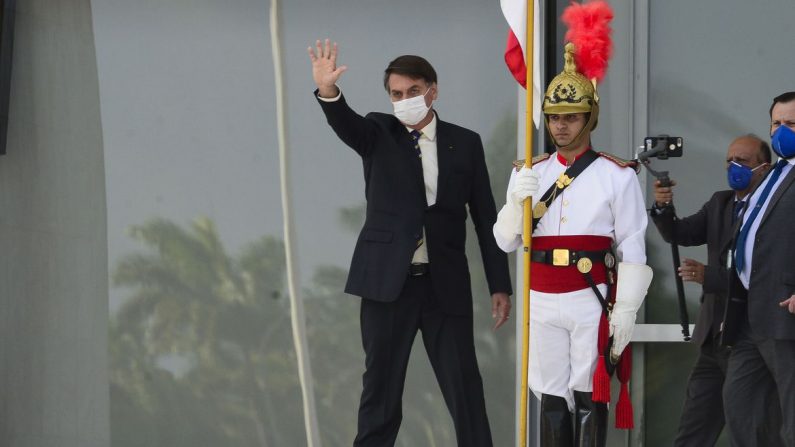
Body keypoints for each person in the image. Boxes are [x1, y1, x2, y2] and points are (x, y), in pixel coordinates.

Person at [307, 39, 513, 447]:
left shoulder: (465, 142)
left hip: (445, 285)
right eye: (396, 94)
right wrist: (328, 92)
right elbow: (345, 124)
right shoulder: (378, 132)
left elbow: (486, 216)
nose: (404, 100)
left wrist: (499, 284)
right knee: (380, 392)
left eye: (413, 92)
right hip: (387, 285)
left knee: (465, 390)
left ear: (433, 91)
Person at [493, 41, 652, 447]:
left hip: (589, 294)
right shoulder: (529, 171)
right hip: (541, 293)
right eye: (553, 118)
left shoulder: (618, 176)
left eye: (570, 117)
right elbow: (505, 240)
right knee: (549, 392)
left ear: (590, 117)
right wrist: (515, 202)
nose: (560, 126)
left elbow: (632, 245)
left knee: (587, 390)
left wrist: (627, 309)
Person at [650, 135, 771, 446]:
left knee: (744, 424)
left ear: (764, 168)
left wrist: (710, 276)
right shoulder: (721, 203)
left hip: (748, 338)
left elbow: (762, 275)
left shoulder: (773, 212)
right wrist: (664, 208)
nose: (733, 167)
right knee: (693, 428)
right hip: (713, 339)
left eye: (742, 161)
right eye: (729, 160)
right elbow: (681, 233)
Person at [722, 91, 795, 446]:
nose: (782, 131)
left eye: (791, 123)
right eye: (776, 124)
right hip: (752, 314)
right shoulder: (775, 173)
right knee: (741, 406)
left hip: (786, 315)